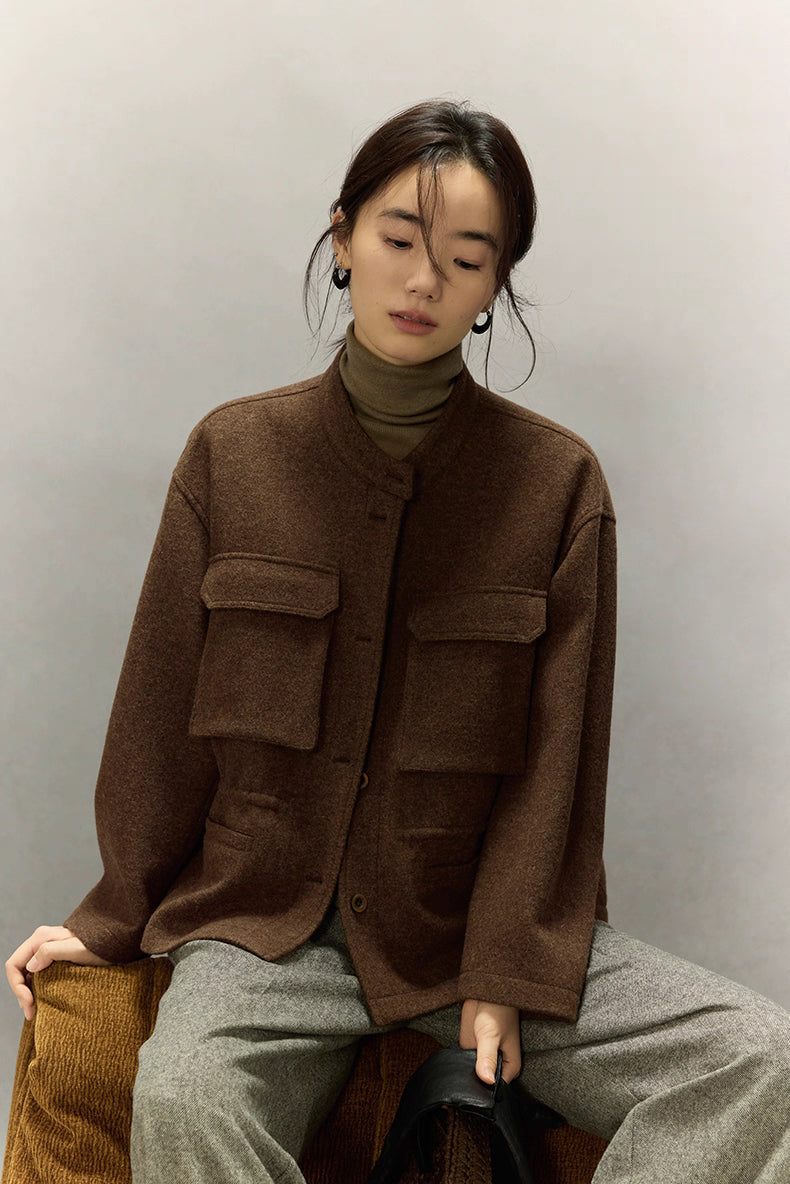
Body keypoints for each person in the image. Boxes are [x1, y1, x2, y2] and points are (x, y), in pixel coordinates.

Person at [5, 98, 790, 1184]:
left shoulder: (556, 486)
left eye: (466, 259)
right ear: (342, 239)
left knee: (759, 1058)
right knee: (182, 1097)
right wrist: (112, 913)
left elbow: (554, 772)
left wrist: (502, 969)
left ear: (494, 285)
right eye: (399, 240)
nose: (425, 281)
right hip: (260, 924)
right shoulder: (232, 456)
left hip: (463, 927)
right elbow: (158, 714)